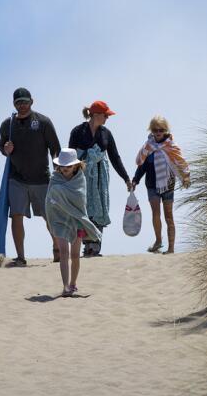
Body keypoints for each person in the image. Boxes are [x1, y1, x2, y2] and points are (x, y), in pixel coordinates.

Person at [0, 87, 62, 267]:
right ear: (14, 104)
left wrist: (59, 171)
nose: (22, 106)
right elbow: (2, 147)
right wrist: (6, 149)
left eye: (25, 102)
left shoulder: (43, 122)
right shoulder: (7, 125)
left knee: (48, 215)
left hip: (41, 178)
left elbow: (55, 149)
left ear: (32, 102)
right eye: (19, 103)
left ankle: (58, 248)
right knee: (16, 215)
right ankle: (20, 257)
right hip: (16, 178)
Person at [68, 100, 133, 257]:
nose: (107, 118)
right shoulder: (77, 131)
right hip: (81, 176)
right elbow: (70, 156)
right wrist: (67, 177)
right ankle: (85, 245)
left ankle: (94, 247)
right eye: (106, 115)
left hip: (99, 178)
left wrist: (126, 178)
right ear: (96, 115)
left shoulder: (106, 134)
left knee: (99, 208)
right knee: (82, 210)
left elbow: (115, 157)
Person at [45, 148, 102, 297]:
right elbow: (49, 201)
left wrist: (60, 193)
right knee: (64, 253)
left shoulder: (80, 179)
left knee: (75, 255)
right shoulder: (54, 179)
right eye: (62, 166)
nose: (65, 169)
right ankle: (65, 287)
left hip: (77, 220)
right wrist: (58, 196)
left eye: (68, 166)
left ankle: (73, 284)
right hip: (60, 220)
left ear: (76, 165)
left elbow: (79, 199)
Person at [133, 115, 190, 254]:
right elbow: (142, 165)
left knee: (169, 216)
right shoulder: (148, 147)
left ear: (165, 130)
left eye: (161, 129)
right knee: (155, 213)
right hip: (152, 184)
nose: (158, 132)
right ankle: (158, 241)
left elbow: (180, 162)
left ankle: (171, 248)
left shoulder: (171, 146)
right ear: (151, 130)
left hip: (168, 184)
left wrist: (186, 176)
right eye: (155, 130)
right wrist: (135, 180)